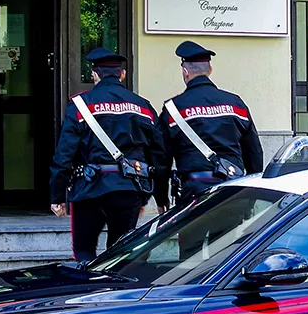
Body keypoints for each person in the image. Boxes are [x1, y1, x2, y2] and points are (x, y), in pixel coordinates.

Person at [50, 48, 166, 262]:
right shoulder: (143, 106)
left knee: (84, 252)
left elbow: (64, 153)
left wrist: (57, 196)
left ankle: (88, 291)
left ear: (94, 75)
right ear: (122, 75)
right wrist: (150, 196)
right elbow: (158, 155)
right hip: (129, 189)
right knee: (122, 255)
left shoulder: (79, 106)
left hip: (89, 189)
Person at [155, 40, 263, 210]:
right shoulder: (236, 104)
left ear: (185, 71)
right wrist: (251, 193)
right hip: (232, 189)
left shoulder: (173, 109)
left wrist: (161, 198)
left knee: (192, 237)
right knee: (228, 237)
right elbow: (254, 152)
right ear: (210, 70)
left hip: (194, 192)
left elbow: (161, 159)